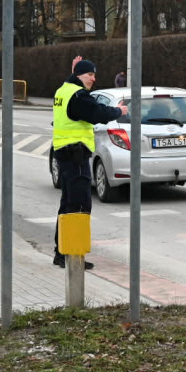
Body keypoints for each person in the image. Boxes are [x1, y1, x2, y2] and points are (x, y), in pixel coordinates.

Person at [52, 58, 128, 269]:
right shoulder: (78, 95)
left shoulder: (63, 90)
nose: (94, 79)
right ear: (79, 76)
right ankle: (73, 255)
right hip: (75, 155)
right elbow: (97, 113)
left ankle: (61, 252)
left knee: (68, 204)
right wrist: (118, 112)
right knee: (80, 204)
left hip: (64, 153)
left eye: (94, 75)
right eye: (90, 75)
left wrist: (74, 71)